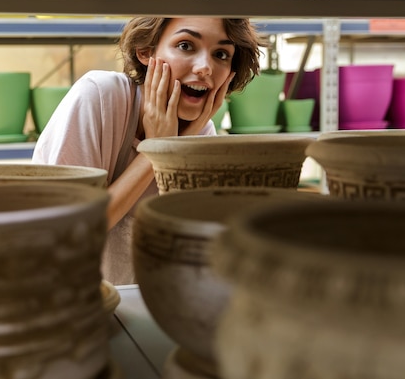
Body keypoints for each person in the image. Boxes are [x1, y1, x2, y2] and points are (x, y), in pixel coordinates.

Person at [32, 17, 263, 285]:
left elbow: (187, 253)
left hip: (133, 308)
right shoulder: (101, 96)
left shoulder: (201, 134)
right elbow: (72, 232)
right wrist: (157, 151)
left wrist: (179, 148)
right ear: (146, 51)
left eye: (221, 54)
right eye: (186, 45)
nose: (205, 68)